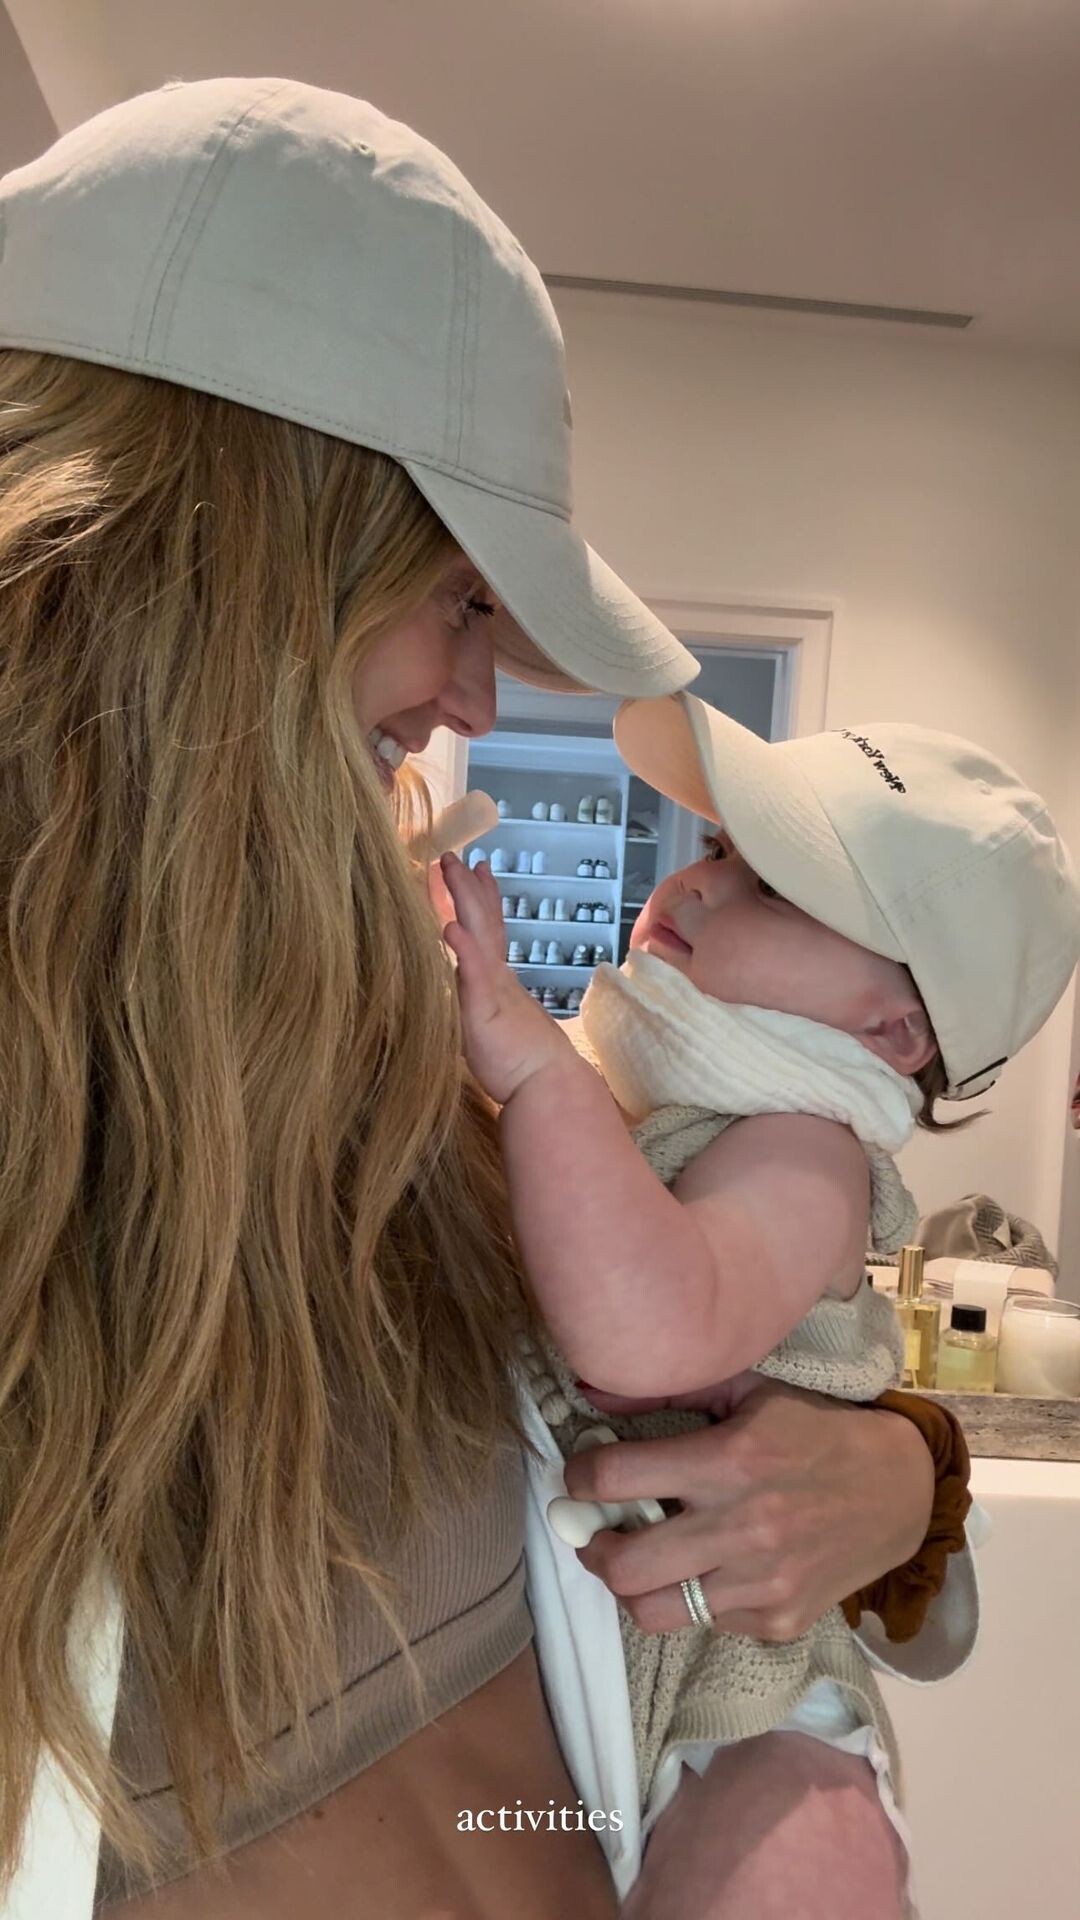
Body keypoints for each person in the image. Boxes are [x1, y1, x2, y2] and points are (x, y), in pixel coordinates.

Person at [0, 78, 978, 1920]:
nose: (476, 699)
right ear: (240, 555)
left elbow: (659, 1382)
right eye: (456, 597)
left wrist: (893, 1477)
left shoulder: (383, 1020)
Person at [440, 692, 1080, 1919]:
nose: (696, 885)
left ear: (893, 1029)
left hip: (738, 1686)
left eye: (774, 891)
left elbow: (650, 1333)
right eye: (723, 851)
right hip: (587, 1653)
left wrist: (534, 1074)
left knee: (789, 1862)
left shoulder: (807, 1149)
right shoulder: (650, 1085)